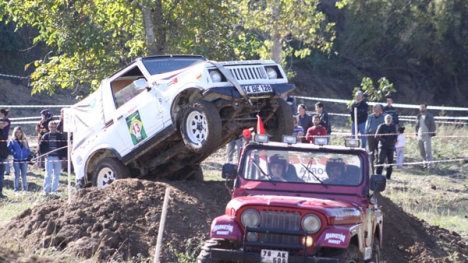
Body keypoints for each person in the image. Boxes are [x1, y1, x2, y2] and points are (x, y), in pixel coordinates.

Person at [39, 121, 67, 194]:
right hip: (49, 157)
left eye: (54, 127)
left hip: (58, 157)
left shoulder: (60, 136)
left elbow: (64, 147)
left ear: (56, 127)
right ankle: (46, 190)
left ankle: (54, 190)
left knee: (56, 174)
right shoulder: (45, 136)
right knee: (48, 174)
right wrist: (44, 154)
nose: (53, 128)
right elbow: (41, 146)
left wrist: (64, 156)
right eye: (51, 127)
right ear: (49, 127)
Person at [8, 126, 30, 194]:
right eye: (16, 132)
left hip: (24, 160)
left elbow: (28, 149)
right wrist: (14, 153)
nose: (18, 134)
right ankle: (16, 190)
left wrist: (27, 153)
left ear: (22, 133)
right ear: (14, 133)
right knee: (16, 176)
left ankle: (25, 190)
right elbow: (8, 150)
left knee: (24, 175)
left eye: (19, 132)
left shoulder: (25, 140)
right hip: (16, 160)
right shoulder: (12, 141)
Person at [375, 115, 397, 180]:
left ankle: (388, 177)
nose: (388, 120)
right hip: (382, 147)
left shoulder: (393, 127)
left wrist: (394, 140)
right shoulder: (381, 126)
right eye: (387, 118)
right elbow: (376, 136)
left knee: (390, 162)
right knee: (380, 161)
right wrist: (383, 140)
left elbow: (396, 136)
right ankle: (378, 175)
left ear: (391, 119)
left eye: (389, 118)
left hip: (390, 147)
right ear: (385, 119)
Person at [365, 104, 385, 172]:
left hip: (379, 137)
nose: (374, 108)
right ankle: (371, 170)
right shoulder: (369, 117)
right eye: (373, 107)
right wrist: (367, 133)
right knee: (371, 153)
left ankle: (378, 170)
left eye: (376, 107)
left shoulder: (383, 117)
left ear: (380, 109)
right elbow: (367, 126)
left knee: (379, 153)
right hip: (370, 136)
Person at [415, 103, 436, 169]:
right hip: (419, 135)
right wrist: (416, 133)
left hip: (427, 135)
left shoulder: (429, 116)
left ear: (426, 108)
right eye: (421, 107)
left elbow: (433, 125)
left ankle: (430, 166)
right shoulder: (418, 116)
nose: (422, 109)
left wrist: (430, 133)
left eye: (423, 107)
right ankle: (425, 164)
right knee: (422, 152)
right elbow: (416, 126)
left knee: (428, 151)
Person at [0, 108, 11, 175]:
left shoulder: (7, 121)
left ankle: (7, 170)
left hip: (4, 139)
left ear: (3, 114)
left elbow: (2, 126)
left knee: (5, 154)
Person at [0, 120, 9, 198]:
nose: (1, 125)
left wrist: (6, 153)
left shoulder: (3, 132)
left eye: (2, 123)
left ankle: (0, 193)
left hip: (2, 157)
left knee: (1, 176)